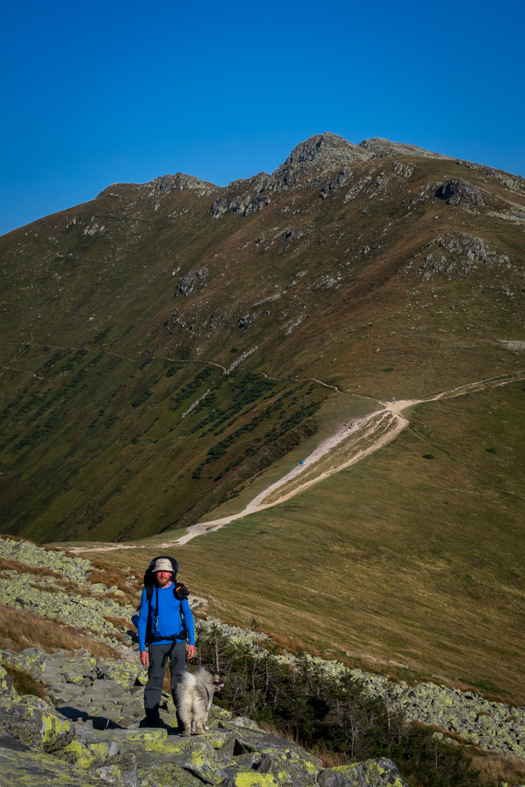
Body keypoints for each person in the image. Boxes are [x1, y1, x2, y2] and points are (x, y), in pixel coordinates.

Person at [138, 558, 195, 728]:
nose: (162, 574)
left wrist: (191, 642)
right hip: (155, 644)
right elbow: (142, 621)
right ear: (155, 573)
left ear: (171, 573)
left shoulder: (179, 592)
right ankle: (153, 724)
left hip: (178, 643)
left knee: (180, 684)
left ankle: (183, 725)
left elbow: (188, 616)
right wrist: (142, 649)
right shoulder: (148, 592)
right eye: (159, 572)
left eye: (166, 572)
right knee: (154, 682)